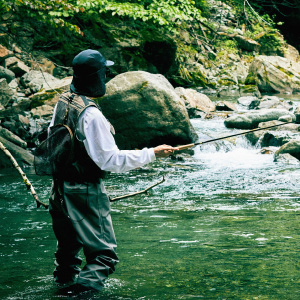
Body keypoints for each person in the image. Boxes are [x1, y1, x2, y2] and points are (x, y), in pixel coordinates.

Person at [48, 49, 178, 297]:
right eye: (105, 72)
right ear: (97, 76)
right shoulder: (92, 115)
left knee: (67, 252)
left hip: (60, 190)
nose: (107, 77)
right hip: (85, 193)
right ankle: (78, 294)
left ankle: (59, 289)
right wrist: (152, 153)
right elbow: (111, 160)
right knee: (104, 256)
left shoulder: (63, 102)